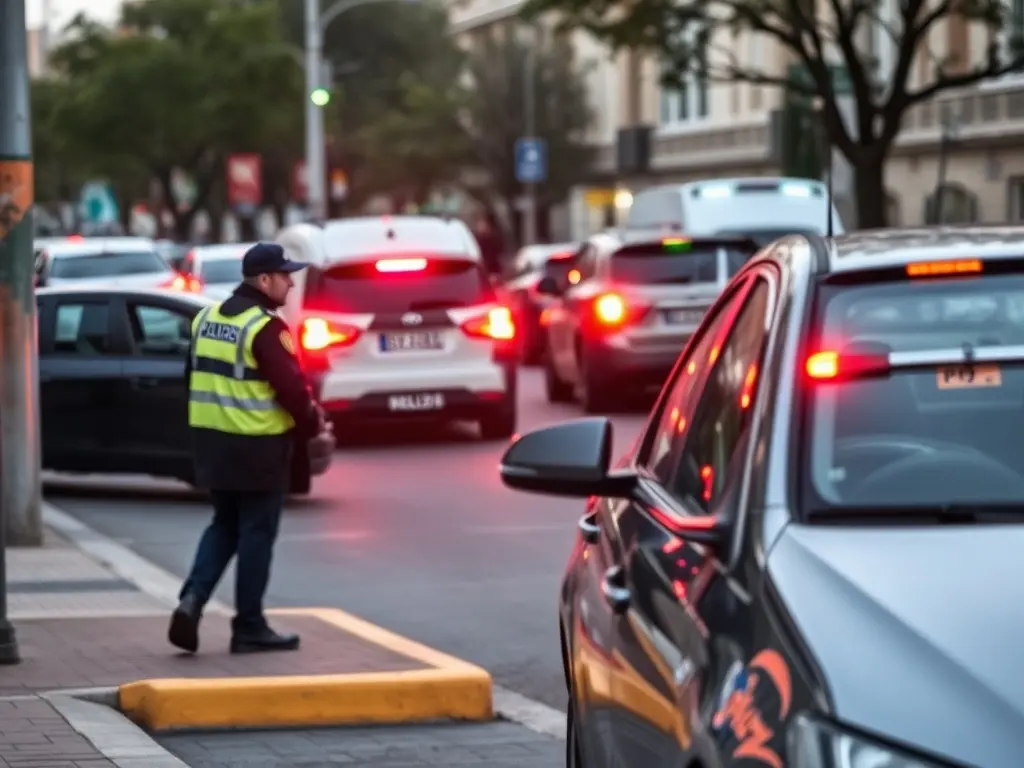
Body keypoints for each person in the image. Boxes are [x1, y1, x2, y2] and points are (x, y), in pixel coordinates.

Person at [169, 242, 325, 654]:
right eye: (285, 276)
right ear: (263, 280)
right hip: (257, 446)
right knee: (256, 532)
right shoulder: (265, 328)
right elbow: (292, 391)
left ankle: (192, 599)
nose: (291, 283)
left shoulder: (206, 317)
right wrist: (313, 424)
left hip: (212, 445)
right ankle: (249, 625)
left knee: (224, 524)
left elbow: (191, 377)